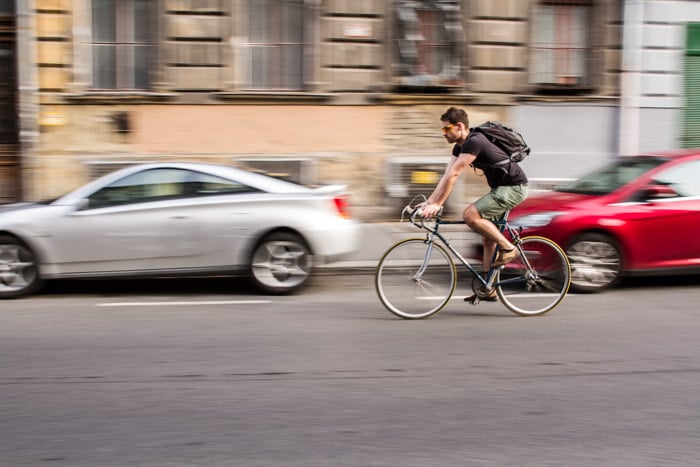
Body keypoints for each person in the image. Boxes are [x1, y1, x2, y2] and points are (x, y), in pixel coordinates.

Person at [419, 107, 529, 303]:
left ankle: (509, 248)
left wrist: (438, 205)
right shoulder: (459, 147)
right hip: (500, 189)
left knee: (470, 215)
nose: (443, 133)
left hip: (513, 187)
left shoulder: (474, 142)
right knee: (487, 238)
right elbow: (447, 175)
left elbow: (455, 174)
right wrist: (429, 202)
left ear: (460, 126)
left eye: (446, 129)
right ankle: (487, 288)